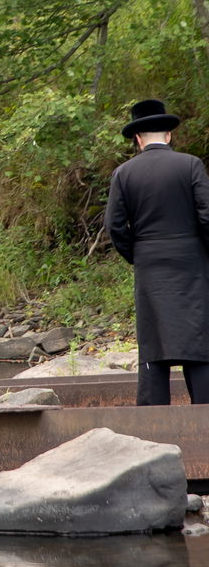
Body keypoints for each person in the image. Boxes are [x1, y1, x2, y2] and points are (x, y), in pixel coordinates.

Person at [107, 98, 209, 405]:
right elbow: (207, 217)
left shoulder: (124, 173)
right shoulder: (190, 165)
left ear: (138, 139)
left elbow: (114, 226)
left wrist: (136, 254)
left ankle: (152, 426)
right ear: (169, 135)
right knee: (199, 342)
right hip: (191, 264)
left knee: (153, 344)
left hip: (150, 265)